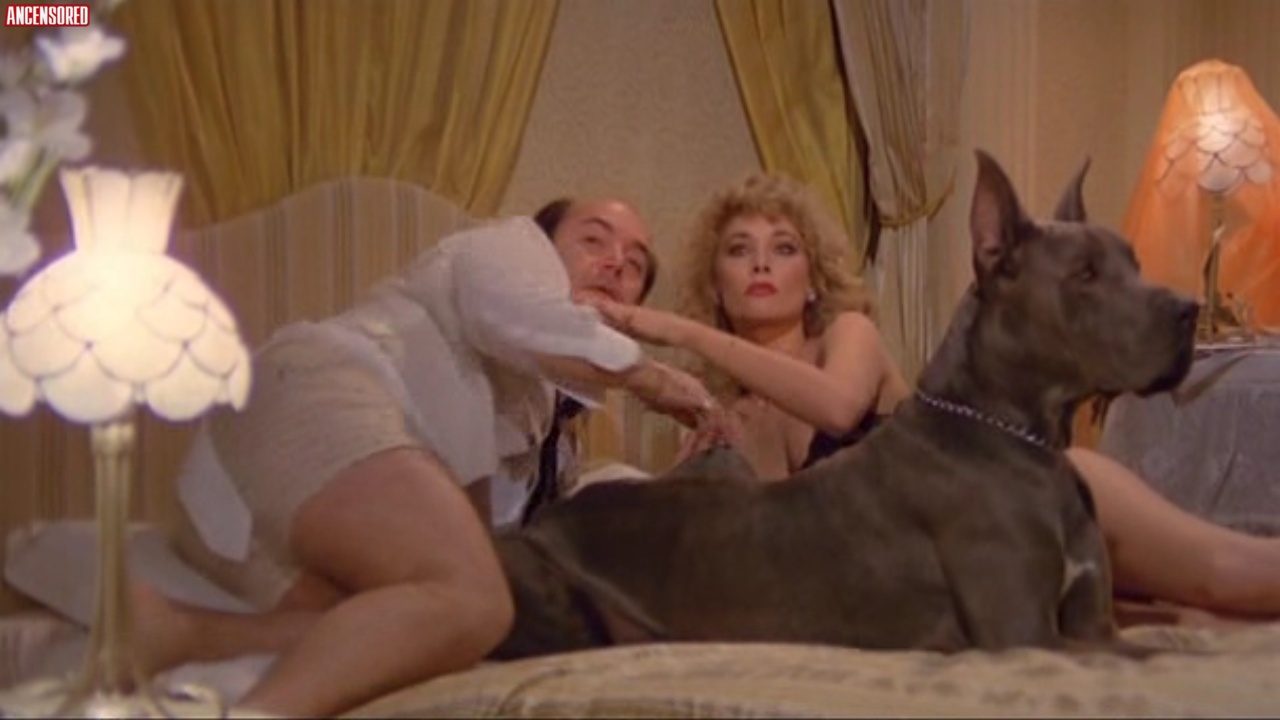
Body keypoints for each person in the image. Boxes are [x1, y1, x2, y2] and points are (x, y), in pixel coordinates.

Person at [583, 171, 1280, 621]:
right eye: (739, 250)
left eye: (784, 247)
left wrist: (682, 334)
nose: (761, 261)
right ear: (716, 282)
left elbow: (836, 408)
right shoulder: (718, 422)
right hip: (949, 587)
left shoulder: (847, 337)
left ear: (814, 278)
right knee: (1186, 619)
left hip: (1026, 501)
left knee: (1233, 575)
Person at [151, 196, 716, 717]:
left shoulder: (552, 435)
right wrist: (650, 376)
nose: (616, 264)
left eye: (635, 265)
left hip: (249, 504)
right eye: (594, 240)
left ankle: (175, 631)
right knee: (472, 598)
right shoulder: (508, 249)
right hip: (320, 390)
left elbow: (512, 546)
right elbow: (515, 312)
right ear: (543, 243)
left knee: (423, 624)